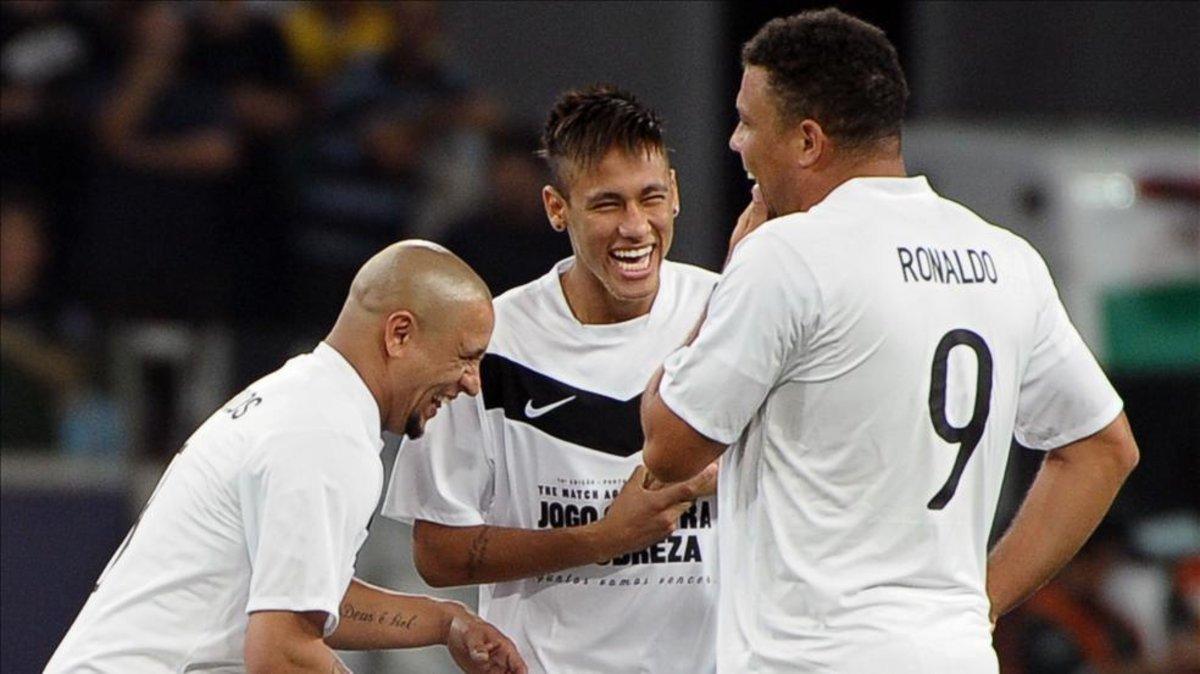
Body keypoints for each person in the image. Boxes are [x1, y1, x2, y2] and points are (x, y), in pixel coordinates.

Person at [640, 9, 1140, 673]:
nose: (735, 142)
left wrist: (733, 273)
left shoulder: (788, 255)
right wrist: (977, 606)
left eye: (748, 122)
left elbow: (670, 449)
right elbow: (1104, 449)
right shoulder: (1006, 258)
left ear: (809, 141)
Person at [46, 241, 526, 673]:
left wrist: (446, 622)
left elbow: (304, 593)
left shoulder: (306, 400)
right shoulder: (325, 435)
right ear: (399, 334)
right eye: (465, 356)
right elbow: (282, 655)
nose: (471, 382)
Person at [382, 86, 721, 673]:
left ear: (676, 195)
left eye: (651, 198)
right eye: (607, 204)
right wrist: (603, 538)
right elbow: (437, 553)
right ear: (557, 207)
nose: (636, 227)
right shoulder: (489, 343)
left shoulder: (727, 316)